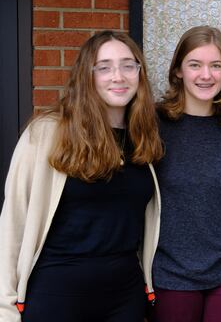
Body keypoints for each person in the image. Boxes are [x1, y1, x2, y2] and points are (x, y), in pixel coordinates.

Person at [0, 30, 164, 322]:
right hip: (57, 295)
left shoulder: (143, 138)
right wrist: (5, 307)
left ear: (140, 73)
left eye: (128, 65)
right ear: (87, 76)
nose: (118, 76)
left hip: (124, 299)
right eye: (104, 67)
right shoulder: (47, 133)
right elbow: (13, 224)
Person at [151, 26, 221, 322]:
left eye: (215, 66)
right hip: (170, 270)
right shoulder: (154, 124)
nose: (206, 75)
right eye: (195, 64)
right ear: (178, 70)